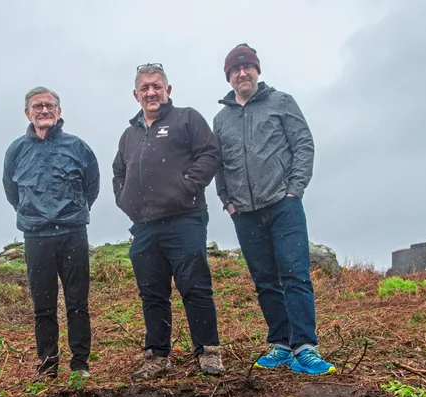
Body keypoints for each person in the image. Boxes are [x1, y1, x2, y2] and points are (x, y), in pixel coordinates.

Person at [213, 44, 335, 375]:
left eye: (247, 67)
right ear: (228, 76)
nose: (242, 73)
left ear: (257, 70)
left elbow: (303, 144)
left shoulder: (281, 102)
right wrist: (228, 201)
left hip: (284, 205)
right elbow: (218, 164)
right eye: (235, 70)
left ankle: (305, 347)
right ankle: (280, 344)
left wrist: (295, 190)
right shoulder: (221, 119)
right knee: (265, 280)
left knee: (295, 275)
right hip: (245, 213)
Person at [112, 63, 225, 378]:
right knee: (152, 293)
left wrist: (185, 187)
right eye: (145, 88)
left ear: (168, 90)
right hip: (145, 227)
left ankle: (209, 352)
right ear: (136, 95)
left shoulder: (186, 119)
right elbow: (118, 172)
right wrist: (126, 200)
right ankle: (157, 356)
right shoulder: (129, 135)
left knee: (195, 287)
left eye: (156, 86)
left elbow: (210, 154)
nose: (151, 92)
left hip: (184, 219)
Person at [3, 86, 99, 380]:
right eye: (37, 106)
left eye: (49, 106)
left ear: (59, 111)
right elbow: (11, 190)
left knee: (77, 303)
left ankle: (80, 365)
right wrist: (33, 214)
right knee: (43, 306)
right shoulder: (16, 150)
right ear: (27, 112)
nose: (44, 111)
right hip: (36, 237)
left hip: (72, 233)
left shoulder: (77, 146)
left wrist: (73, 212)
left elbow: (91, 186)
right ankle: (48, 365)